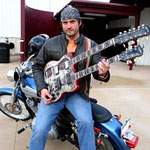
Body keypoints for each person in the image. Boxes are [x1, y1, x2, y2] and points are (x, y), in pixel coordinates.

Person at [29, 5, 110, 150]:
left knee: (86, 123)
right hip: (53, 93)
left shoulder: (90, 46)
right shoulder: (50, 43)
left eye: (72, 21)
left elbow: (98, 73)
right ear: (61, 24)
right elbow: (37, 66)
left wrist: (103, 72)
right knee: (40, 129)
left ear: (79, 22)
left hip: (77, 94)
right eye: (65, 22)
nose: (69, 26)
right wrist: (41, 89)